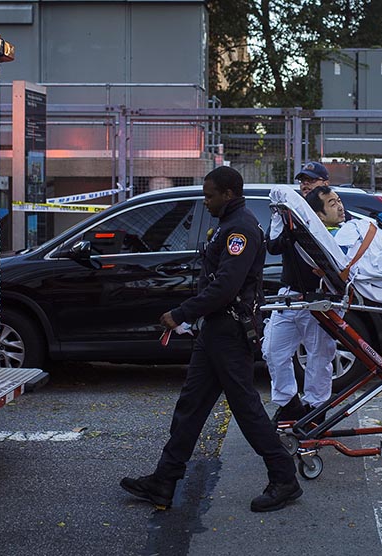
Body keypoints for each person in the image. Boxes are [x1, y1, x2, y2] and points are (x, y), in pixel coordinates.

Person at [120, 166, 302, 513]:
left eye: (209, 195)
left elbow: (226, 287)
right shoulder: (228, 226)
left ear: (228, 194)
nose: (206, 202)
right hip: (215, 331)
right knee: (191, 407)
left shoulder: (241, 229)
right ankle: (164, 480)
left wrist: (181, 313)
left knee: (246, 410)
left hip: (229, 333)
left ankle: (284, 478)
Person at [262, 178, 341, 425]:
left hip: (322, 301)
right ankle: (289, 403)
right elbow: (273, 246)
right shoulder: (295, 223)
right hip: (291, 296)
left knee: (319, 357)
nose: (340, 207)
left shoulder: (344, 234)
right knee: (272, 351)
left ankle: (316, 409)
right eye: (333, 203)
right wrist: (280, 218)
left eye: (338, 201)